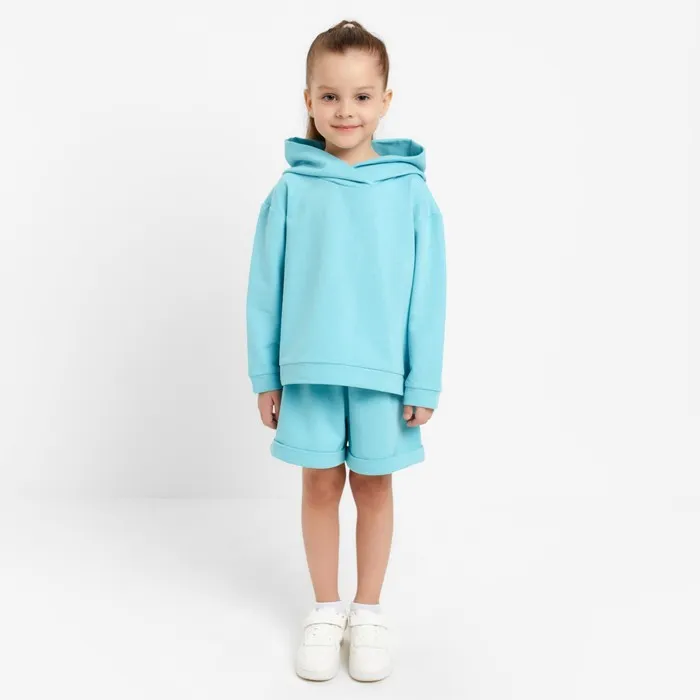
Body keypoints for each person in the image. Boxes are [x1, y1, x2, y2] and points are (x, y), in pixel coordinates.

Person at [245, 19, 446, 682]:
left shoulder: (410, 193)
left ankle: (369, 612)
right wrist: (266, 374)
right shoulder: (290, 191)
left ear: (385, 101)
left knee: (375, 486)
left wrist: (423, 381)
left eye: (361, 96)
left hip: (384, 375)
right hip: (308, 372)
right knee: (320, 484)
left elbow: (427, 293)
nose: (345, 110)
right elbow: (266, 289)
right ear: (308, 99)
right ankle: (326, 608)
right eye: (330, 96)